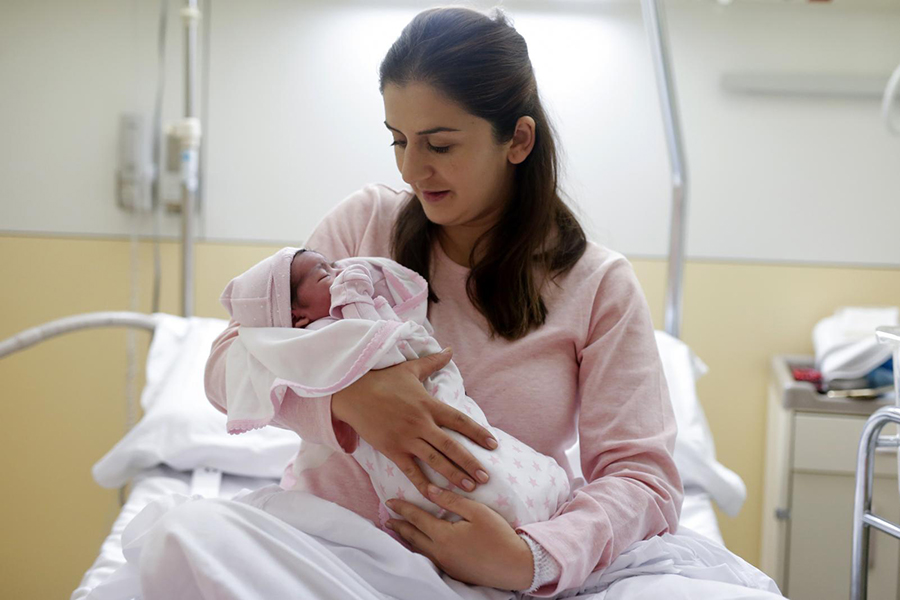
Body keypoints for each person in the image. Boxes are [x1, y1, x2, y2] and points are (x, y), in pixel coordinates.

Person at [129, 7, 783, 599]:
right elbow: (225, 365)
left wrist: (530, 558)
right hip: (333, 552)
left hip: (496, 564)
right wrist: (346, 402)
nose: (413, 170)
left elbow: (642, 478)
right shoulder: (362, 229)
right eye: (398, 140)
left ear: (517, 141)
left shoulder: (598, 286)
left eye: (439, 145)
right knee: (180, 537)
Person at [216, 246, 571, 536]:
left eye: (336, 265)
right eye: (325, 273)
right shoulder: (317, 339)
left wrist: (534, 562)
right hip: (339, 517)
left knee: (477, 456)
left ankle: (521, 520)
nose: (340, 271)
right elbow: (235, 354)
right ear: (297, 318)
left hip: (441, 408)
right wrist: (346, 397)